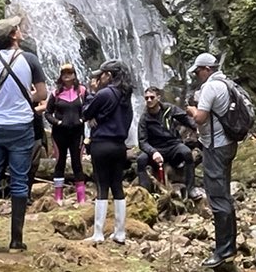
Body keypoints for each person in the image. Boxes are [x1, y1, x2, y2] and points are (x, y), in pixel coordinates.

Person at [0, 15, 46, 252]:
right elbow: (42, 94)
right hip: (21, 127)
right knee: (19, 181)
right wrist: (23, 98)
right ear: (13, 35)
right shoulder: (30, 60)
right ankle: (16, 241)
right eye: (17, 28)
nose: (20, 30)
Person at [188, 53, 244, 272]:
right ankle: (229, 252)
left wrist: (190, 110)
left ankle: (222, 252)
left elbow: (200, 118)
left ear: (206, 69)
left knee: (218, 197)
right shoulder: (228, 84)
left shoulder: (211, 88)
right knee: (225, 197)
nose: (196, 75)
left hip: (215, 146)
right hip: (228, 144)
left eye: (197, 71)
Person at [81, 60, 136, 243]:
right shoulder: (126, 95)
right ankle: (120, 232)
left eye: (102, 74)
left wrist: (91, 93)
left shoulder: (104, 93)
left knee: (102, 186)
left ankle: (98, 233)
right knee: (117, 186)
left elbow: (86, 114)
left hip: (102, 144)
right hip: (120, 146)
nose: (99, 77)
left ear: (110, 75)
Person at [136, 86, 200, 197]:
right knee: (141, 160)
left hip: (173, 145)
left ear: (158, 98)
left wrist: (197, 128)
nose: (149, 100)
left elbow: (185, 118)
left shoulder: (169, 109)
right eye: (146, 98)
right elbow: (142, 142)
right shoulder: (144, 118)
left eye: (152, 97)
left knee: (186, 153)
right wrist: (153, 152)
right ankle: (145, 193)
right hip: (155, 148)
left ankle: (191, 189)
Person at [47, 63, 87, 205]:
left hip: (77, 133)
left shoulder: (82, 91)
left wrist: (82, 119)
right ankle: (58, 196)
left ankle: (81, 197)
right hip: (59, 133)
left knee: (77, 162)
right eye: (64, 73)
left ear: (74, 75)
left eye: (69, 73)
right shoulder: (55, 93)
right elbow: (47, 113)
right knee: (60, 162)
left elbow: (88, 108)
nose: (67, 75)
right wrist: (57, 122)